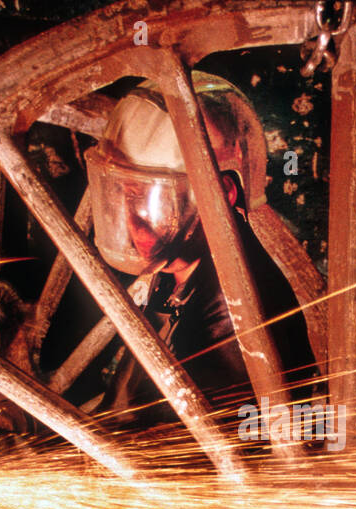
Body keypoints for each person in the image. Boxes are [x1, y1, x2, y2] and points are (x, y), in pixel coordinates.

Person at [85, 71, 314, 417]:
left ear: (221, 194)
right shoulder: (179, 273)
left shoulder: (233, 319)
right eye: (124, 197)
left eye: (148, 201)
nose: (134, 222)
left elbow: (193, 449)